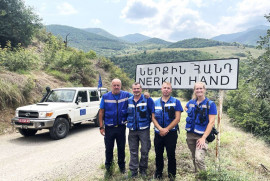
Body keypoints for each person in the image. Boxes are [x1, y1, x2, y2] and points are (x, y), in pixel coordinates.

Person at [99, 78, 132, 177]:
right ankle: (108, 169)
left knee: (121, 149)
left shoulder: (126, 95)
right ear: (111, 86)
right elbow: (101, 112)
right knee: (109, 149)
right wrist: (101, 127)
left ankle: (122, 168)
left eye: (118, 85)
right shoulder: (105, 97)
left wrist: (146, 95)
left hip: (121, 127)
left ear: (120, 86)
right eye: (114, 85)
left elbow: (137, 96)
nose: (116, 87)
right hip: (109, 128)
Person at [152, 82, 183, 180]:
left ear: (171, 90)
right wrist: (160, 129)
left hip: (171, 133)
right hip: (158, 133)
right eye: (164, 88)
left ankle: (172, 175)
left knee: (171, 154)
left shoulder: (176, 102)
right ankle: (158, 174)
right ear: (161, 89)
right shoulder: (155, 102)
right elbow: (153, 118)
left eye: (168, 88)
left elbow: (177, 119)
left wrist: (166, 129)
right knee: (158, 154)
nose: (166, 89)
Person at [184, 82, 217, 173]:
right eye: (197, 89)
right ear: (194, 90)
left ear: (204, 90)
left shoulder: (210, 104)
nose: (199, 90)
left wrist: (203, 138)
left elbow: (211, 122)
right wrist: (187, 110)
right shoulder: (191, 102)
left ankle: (204, 176)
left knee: (199, 158)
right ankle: (197, 175)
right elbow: (185, 107)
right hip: (190, 134)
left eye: (201, 88)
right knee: (194, 157)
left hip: (202, 136)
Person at [126, 82, 155, 178]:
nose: (136, 90)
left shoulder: (147, 99)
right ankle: (133, 171)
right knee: (133, 150)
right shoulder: (129, 100)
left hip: (144, 130)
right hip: (132, 130)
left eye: (138, 88)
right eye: (134, 89)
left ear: (141, 89)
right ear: (132, 89)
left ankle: (143, 170)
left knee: (145, 150)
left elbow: (153, 113)